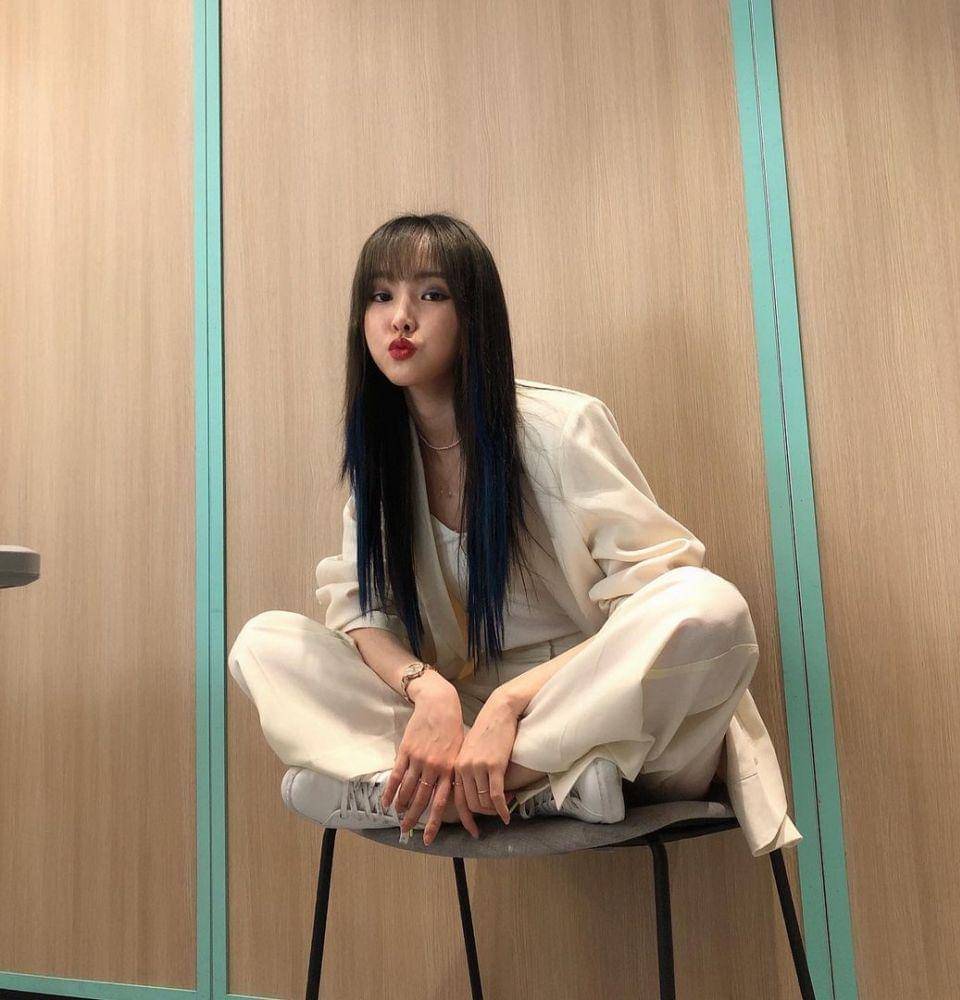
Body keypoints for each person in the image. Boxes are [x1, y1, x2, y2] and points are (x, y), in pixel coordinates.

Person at [228, 212, 803, 857]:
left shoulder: (560, 428)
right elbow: (360, 611)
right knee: (265, 643)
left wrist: (510, 705)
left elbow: (656, 589)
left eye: (431, 294)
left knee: (708, 606)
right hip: (461, 717)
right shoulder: (382, 459)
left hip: (590, 706)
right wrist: (428, 690)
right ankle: (545, 789)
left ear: (473, 314)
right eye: (381, 296)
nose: (400, 319)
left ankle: (447, 790)